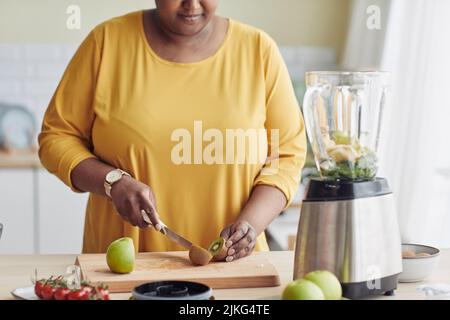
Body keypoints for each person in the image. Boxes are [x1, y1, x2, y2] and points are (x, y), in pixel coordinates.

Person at [38, 0, 307, 262]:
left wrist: (251, 223)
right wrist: (112, 182)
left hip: (233, 270)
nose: (191, 4)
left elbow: (282, 153)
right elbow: (57, 137)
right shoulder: (106, 43)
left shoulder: (258, 50)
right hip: (123, 272)